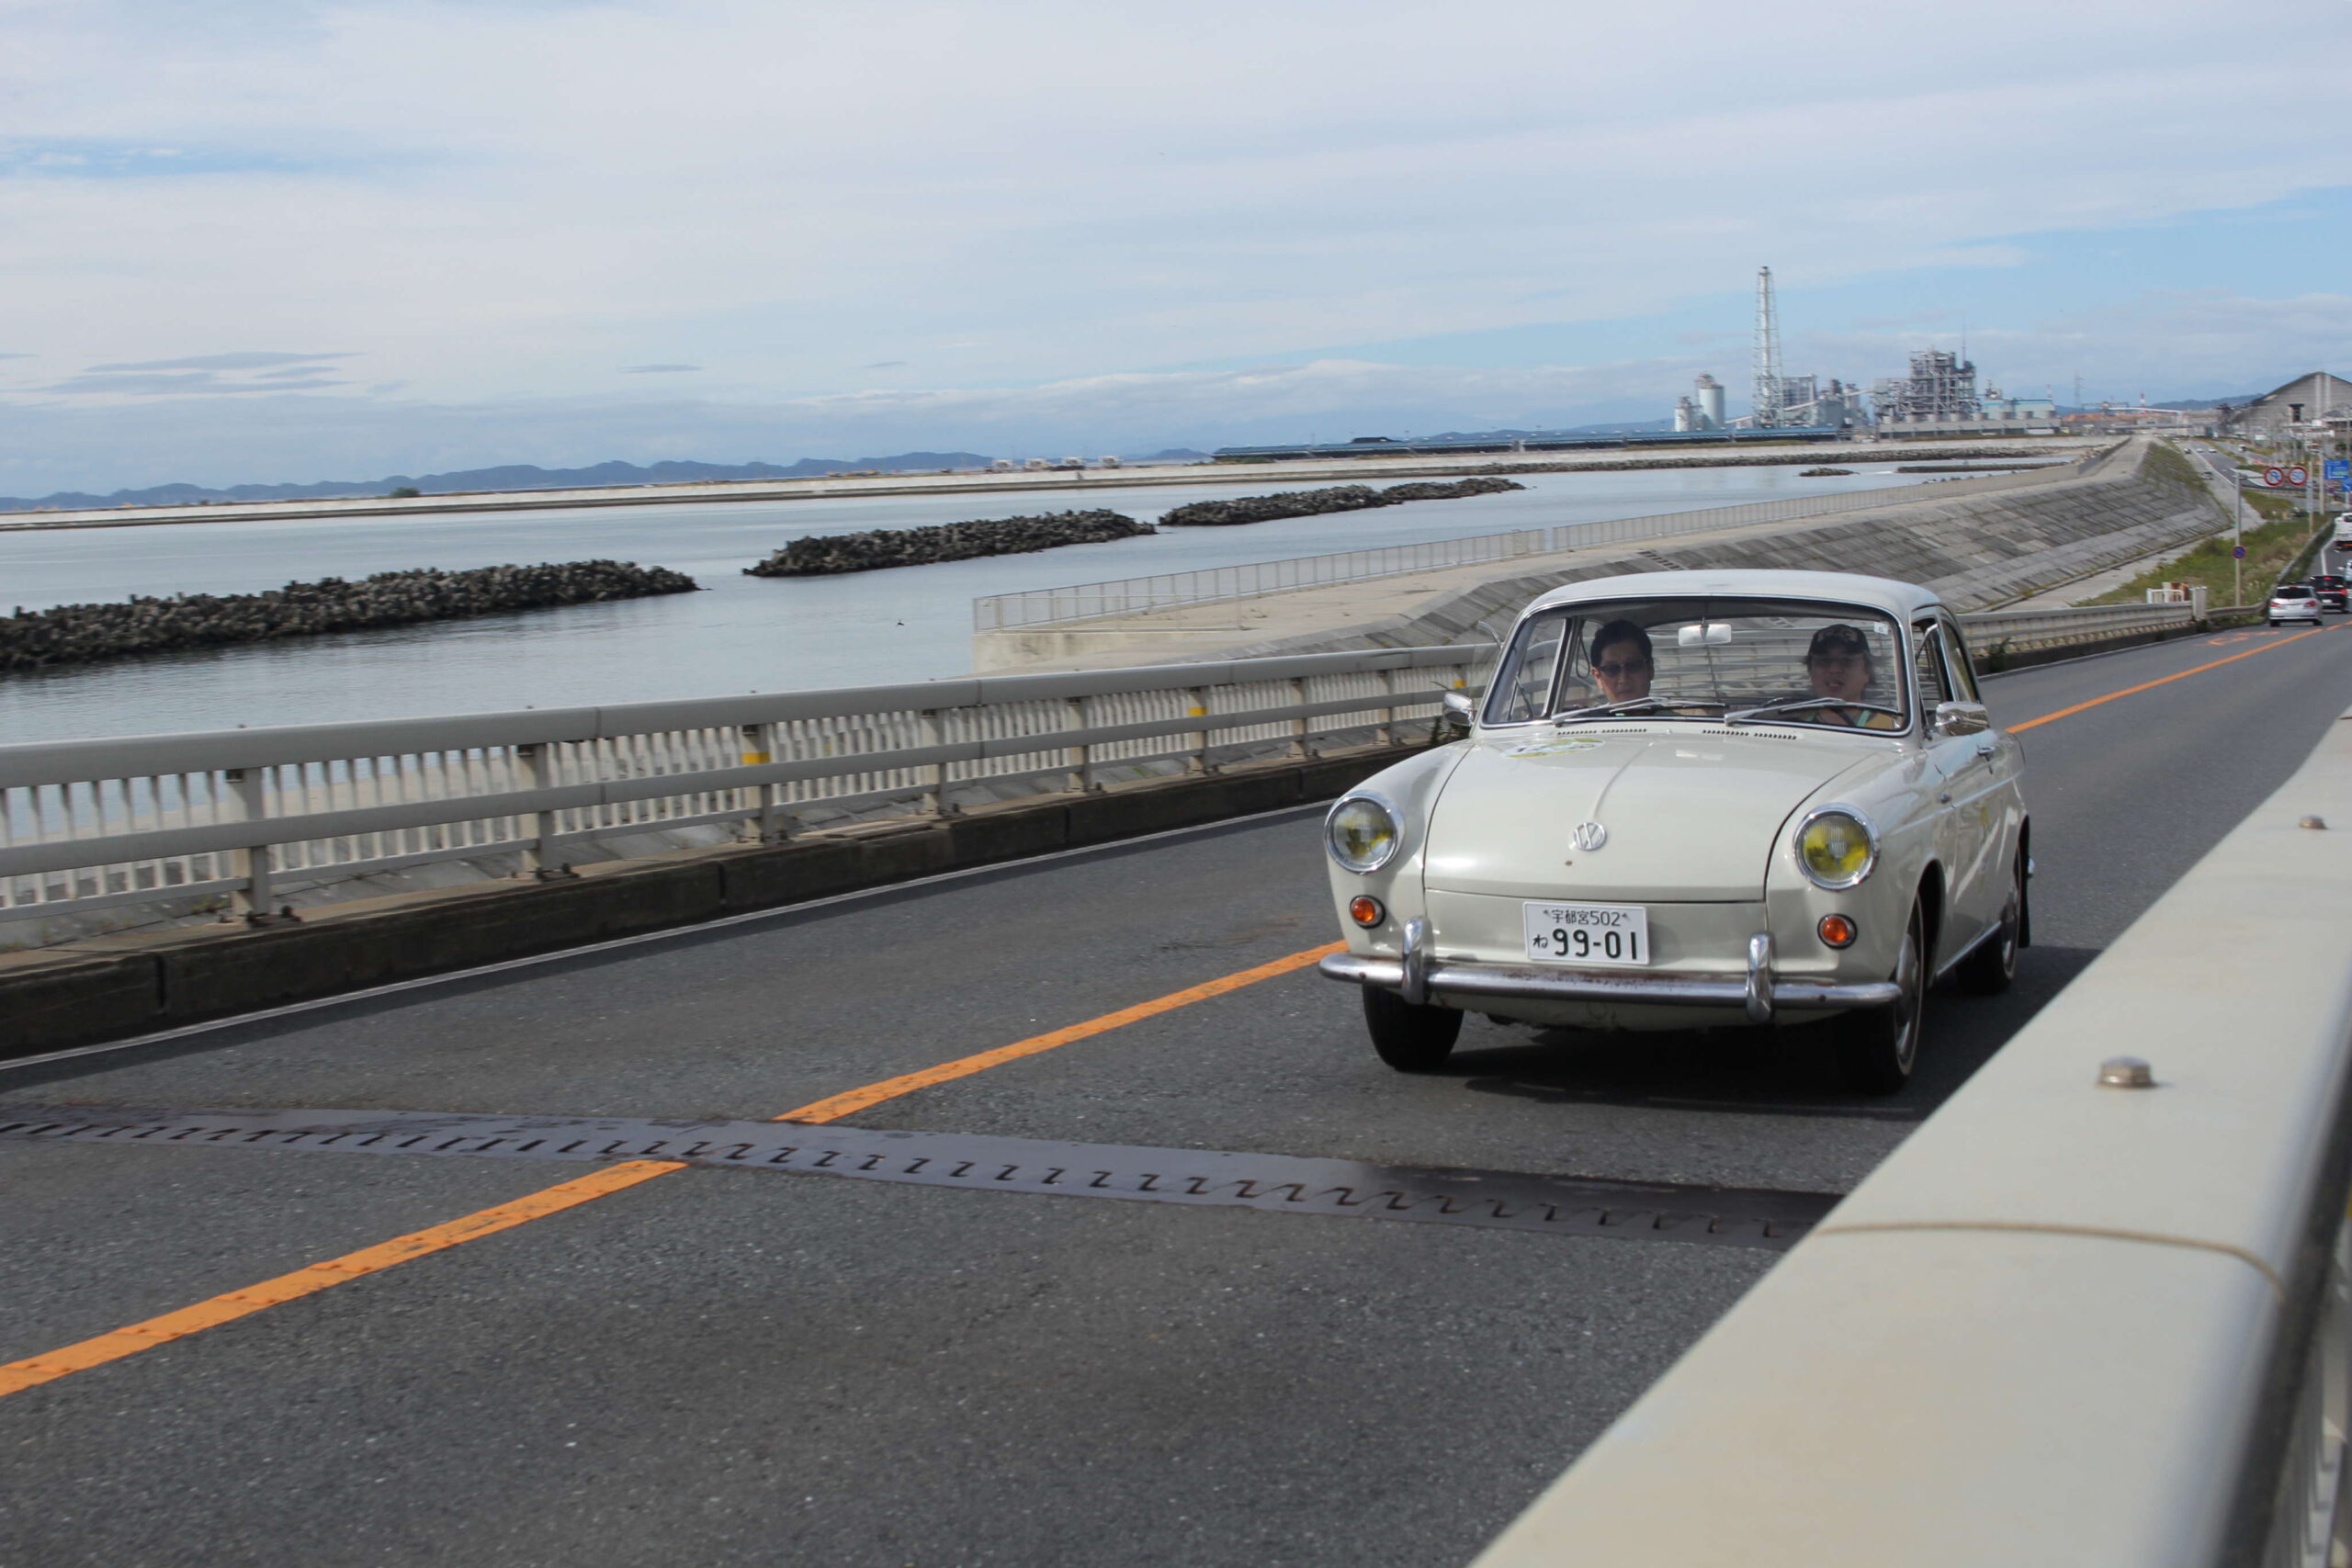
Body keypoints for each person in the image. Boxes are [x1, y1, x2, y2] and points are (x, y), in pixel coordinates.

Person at [1803, 623, 1900, 729]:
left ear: (1867, 671)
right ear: (1810, 670)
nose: (1834, 669)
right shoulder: (1794, 723)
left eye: (1847, 660)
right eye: (1824, 661)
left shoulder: (1890, 728)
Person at [1588, 619, 1655, 704]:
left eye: (1633, 666)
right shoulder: (1585, 713)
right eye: (1612, 669)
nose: (1623, 679)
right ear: (1598, 677)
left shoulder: (1668, 713)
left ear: (1650, 669)